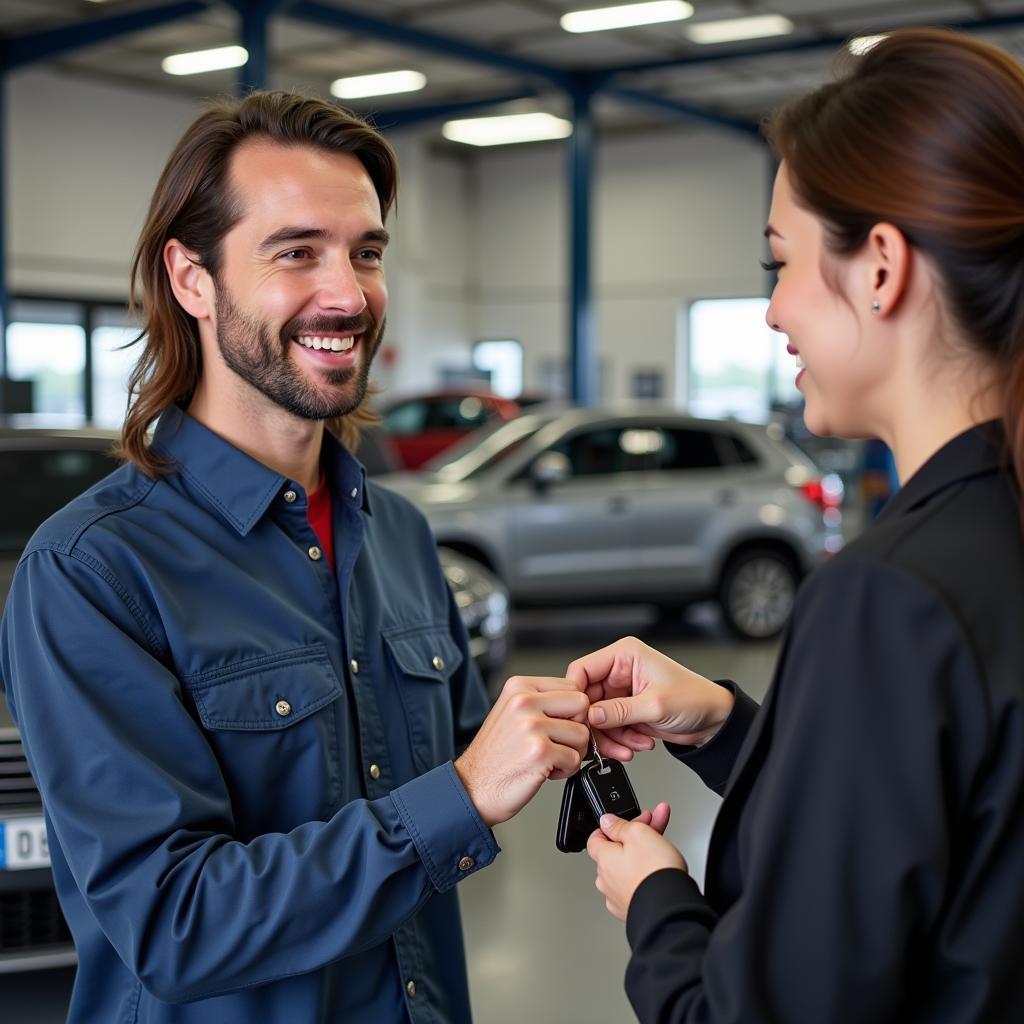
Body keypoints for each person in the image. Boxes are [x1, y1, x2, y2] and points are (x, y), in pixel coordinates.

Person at [0, 92, 591, 1023]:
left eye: (367, 252)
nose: (349, 295)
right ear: (192, 279)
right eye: (297, 252)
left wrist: (568, 727)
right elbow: (172, 923)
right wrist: (464, 796)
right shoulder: (92, 571)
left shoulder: (396, 534)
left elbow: (463, 762)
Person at [565, 28, 1024, 1023]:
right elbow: (953, 818)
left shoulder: (889, 598)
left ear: (880, 269)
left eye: (781, 263)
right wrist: (732, 727)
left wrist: (655, 900)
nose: (773, 312)